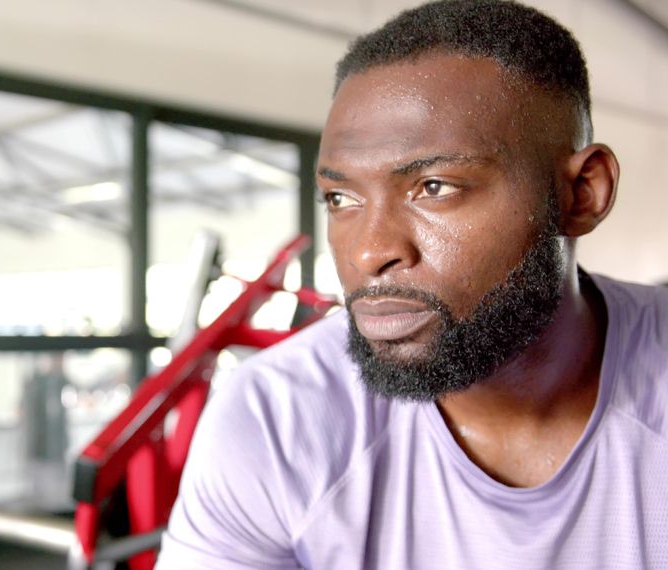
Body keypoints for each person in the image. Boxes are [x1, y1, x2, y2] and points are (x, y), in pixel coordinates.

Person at [156, 1, 668, 568]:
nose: (370, 251)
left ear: (583, 194)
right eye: (341, 199)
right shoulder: (277, 418)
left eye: (435, 186)